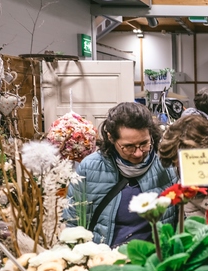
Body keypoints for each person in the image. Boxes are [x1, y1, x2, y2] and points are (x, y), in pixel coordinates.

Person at [65, 102, 177, 246]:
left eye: (144, 144)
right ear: (111, 138)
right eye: (128, 146)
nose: (138, 153)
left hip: (155, 261)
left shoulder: (165, 166)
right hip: (106, 259)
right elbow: (72, 221)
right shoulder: (90, 168)